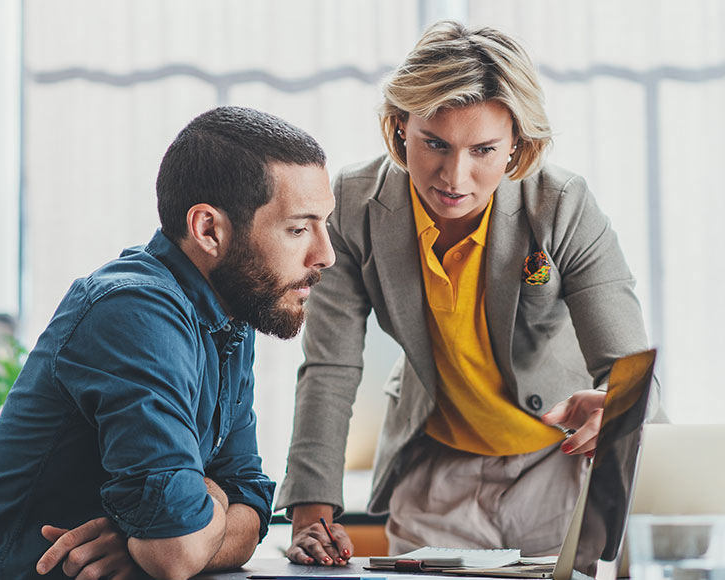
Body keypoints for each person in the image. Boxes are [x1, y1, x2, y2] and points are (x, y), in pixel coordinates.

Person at [278, 21, 661, 566]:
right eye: (434, 143)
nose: (454, 176)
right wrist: (311, 516)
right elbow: (330, 366)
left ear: (516, 146)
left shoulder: (561, 204)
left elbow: (628, 366)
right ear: (399, 128)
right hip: (436, 475)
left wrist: (618, 410)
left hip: (556, 470)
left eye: (483, 149)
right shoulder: (352, 205)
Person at [0, 106, 336, 579]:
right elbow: (178, 550)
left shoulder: (232, 315)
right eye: (298, 228)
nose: (325, 254)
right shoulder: (135, 312)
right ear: (209, 230)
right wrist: (201, 511)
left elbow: (246, 502)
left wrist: (155, 537)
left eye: (324, 224)